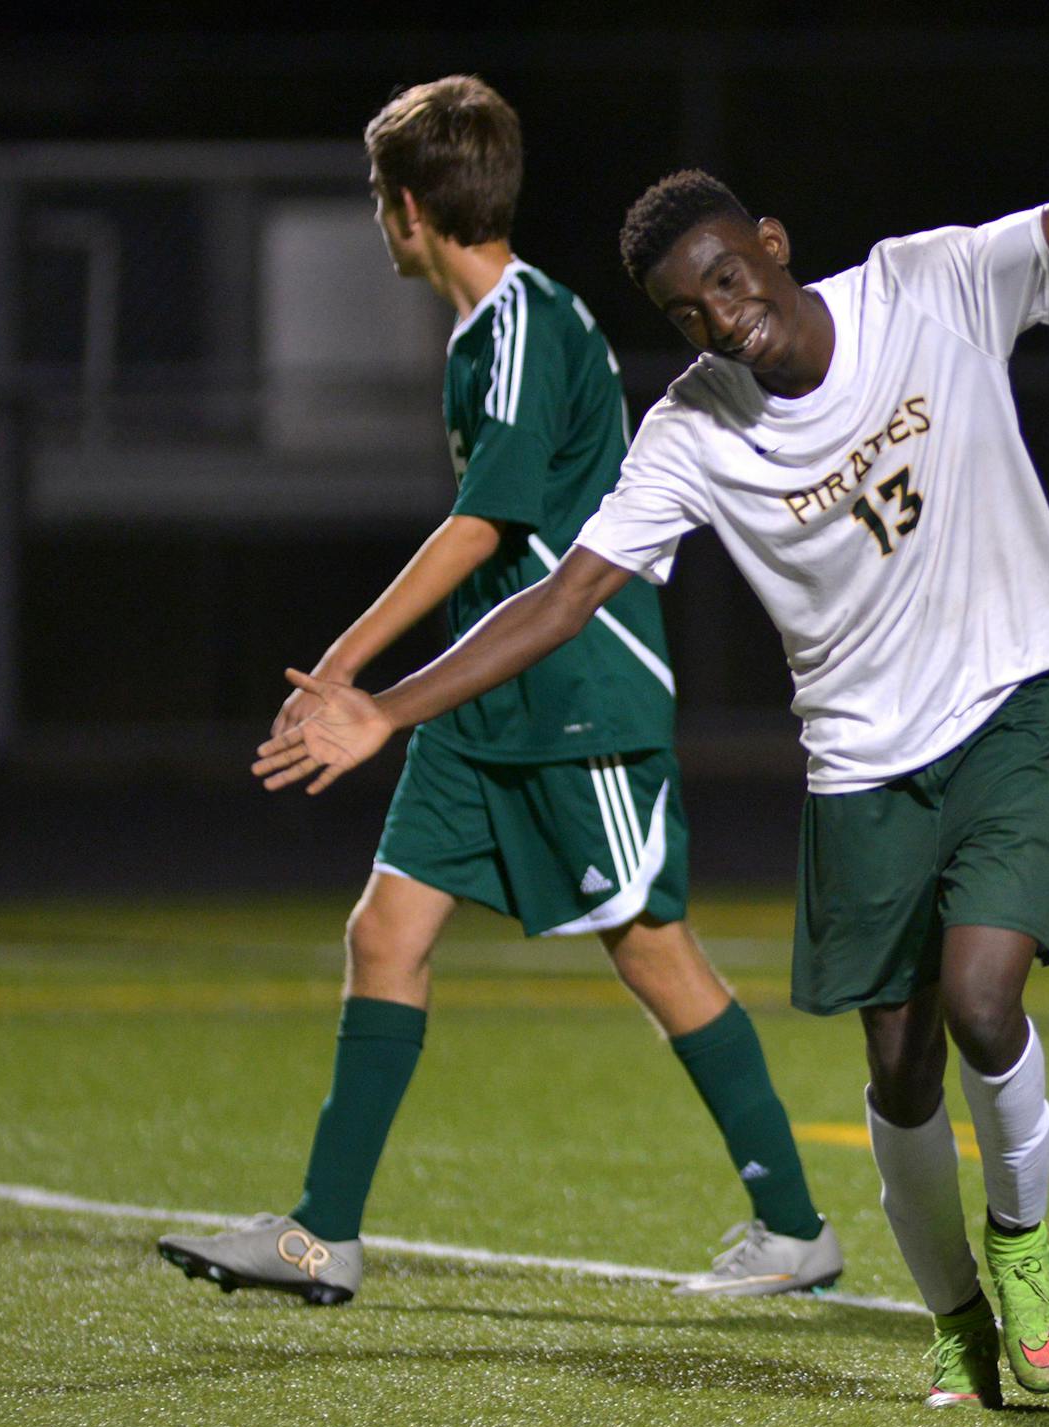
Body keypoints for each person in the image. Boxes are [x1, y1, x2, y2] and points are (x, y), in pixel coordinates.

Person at [252, 61, 1049, 1402]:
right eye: (687, 311)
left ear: (772, 246)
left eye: (730, 278)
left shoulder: (923, 285)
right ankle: (955, 1309)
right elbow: (562, 595)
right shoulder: (691, 431)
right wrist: (387, 703)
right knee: (896, 1072)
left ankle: (1021, 1247)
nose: (723, 318)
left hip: (1012, 710)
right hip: (861, 769)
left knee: (979, 998)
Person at [159, 75, 841, 1307]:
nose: (380, 219)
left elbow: (485, 528)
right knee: (385, 930)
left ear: (409, 209)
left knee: (654, 953)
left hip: (578, 692)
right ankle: (324, 1233)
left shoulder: (527, 323)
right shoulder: (484, 334)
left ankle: (793, 1224)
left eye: (380, 198)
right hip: (484, 700)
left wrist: (352, 668)